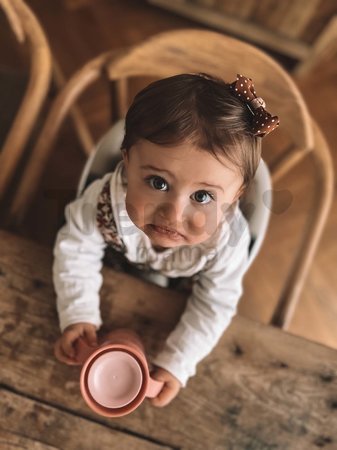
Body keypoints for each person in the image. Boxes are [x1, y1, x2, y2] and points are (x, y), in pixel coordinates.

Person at [53, 73, 279, 407]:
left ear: (235, 196)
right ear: (127, 162)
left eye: (203, 196)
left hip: (183, 284)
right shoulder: (103, 201)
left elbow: (215, 303)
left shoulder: (226, 244)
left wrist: (178, 361)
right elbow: (75, 248)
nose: (173, 215)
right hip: (118, 262)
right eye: (158, 183)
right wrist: (78, 312)